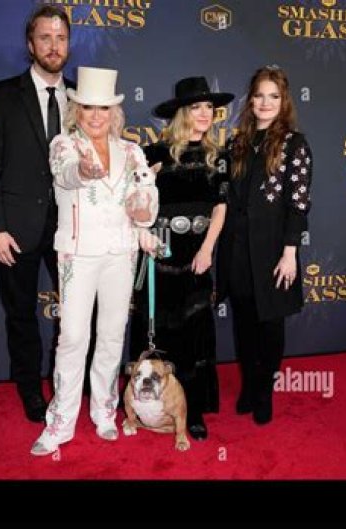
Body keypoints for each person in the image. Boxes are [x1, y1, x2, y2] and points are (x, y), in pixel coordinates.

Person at [31, 66, 159, 456]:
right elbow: (65, 175)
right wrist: (84, 170)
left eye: (104, 108)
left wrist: (144, 213)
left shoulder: (132, 151)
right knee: (72, 337)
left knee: (112, 335)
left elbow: (143, 205)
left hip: (121, 253)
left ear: (114, 112)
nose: (96, 116)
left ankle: (104, 411)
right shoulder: (64, 145)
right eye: (88, 107)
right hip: (78, 254)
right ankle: (60, 422)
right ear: (77, 110)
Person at [0, 5, 73, 423]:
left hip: (73, 227)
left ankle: (69, 384)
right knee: (21, 314)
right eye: (45, 38)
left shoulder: (83, 98)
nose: (54, 46)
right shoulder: (1, 95)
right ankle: (30, 389)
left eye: (61, 38)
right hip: (16, 227)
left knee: (75, 313)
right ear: (30, 45)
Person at [130, 77, 233, 440]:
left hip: (197, 257)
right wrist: (142, 232)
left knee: (195, 334)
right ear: (180, 113)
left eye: (209, 108)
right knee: (158, 331)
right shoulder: (152, 154)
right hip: (158, 255)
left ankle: (194, 410)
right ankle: (148, 406)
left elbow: (220, 208)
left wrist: (207, 249)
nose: (204, 114)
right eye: (196, 107)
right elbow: (136, 201)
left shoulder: (219, 156)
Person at [216, 66, 313, 425]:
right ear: (251, 100)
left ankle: (264, 390)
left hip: (273, 251)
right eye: (259, 95)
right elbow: (222, 194)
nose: (265, 102)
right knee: (244, 324)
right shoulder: (237, 143)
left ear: (283, 101)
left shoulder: (294, 144)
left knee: (270, 326)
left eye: (274, 96)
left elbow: (298, 204)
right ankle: (248, 385)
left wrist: (290, 253)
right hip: (237, 250)